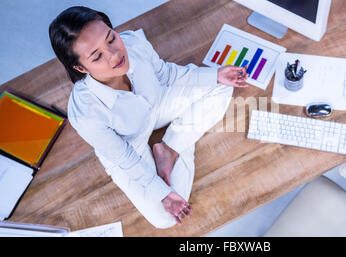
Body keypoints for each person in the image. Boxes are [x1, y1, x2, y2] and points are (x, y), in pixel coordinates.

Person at [49, 6, 248, 228]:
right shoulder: (85, 113)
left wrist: (216, 75)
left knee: (220, 83)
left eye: (111, 38)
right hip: (129, 145)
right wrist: (161, 192)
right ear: (80, 67)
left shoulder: (133, 43)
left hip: (157, 106)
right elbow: (124, 158)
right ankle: (181, 137)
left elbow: (166, 74)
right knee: (164, 219)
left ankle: (170, 148)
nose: (115, 54)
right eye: (97, 56)